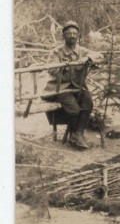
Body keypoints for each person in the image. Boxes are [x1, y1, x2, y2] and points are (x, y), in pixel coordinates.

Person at [44, 21, 103, 150]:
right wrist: (62, 67)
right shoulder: (56, 52)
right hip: (60, 88)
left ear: (78, 36)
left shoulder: (82, 51)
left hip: (78, 87)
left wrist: (88, 59)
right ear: (63, 36)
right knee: (74, 109)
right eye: (69, 33)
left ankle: (77, 135)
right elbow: (50, 69)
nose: (72, 35)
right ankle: (77, 136)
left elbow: (99, 55)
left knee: (88, 104)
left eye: (74, 33)